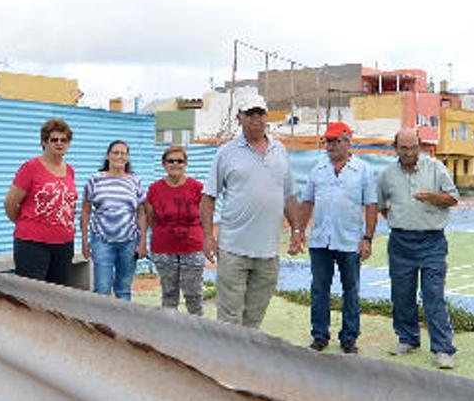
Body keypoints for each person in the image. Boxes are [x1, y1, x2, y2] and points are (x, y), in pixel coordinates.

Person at [201, 94, 304, 328]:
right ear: (240, 118)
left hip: (268, 252)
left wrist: (297, 230)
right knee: (229, 319)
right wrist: (208, 236)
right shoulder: (226, 153)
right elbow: (208, 197)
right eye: (250, 114)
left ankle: (245, 361)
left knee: (254, 319)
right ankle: (227, 364)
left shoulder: (280, 151)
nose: (256, 118)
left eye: (260, 113)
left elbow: (289, 195)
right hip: (233, 250)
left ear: (266, 117)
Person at [377, 128, 460, 369]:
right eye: (403, 148)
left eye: (413, 147)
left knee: (433, 295)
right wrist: (401, 221)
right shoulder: (387, 175)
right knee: (402, 294)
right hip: (401, 242)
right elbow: (383, 206)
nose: (409, 152)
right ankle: (408, 339)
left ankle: (443, 348)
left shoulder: (436, 168)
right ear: (396, 149)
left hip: (432, 241)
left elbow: (453, 198)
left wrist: (433, 197)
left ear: (420, 146)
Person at [300, 122, 377, 353]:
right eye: (328, 141)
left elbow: (371, 205)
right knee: (319, 290)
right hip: (320, 241)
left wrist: (368, 238)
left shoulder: (363, 170)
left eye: (336, 141)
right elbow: (307, 202)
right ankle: (320, 336)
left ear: (347, 141)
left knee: (351, 291)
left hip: (350, 242)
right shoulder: (317, 170)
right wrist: (299, 232)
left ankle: (349, 338)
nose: (331, 145)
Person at [4, 118, 78, 285]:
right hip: (33, 244)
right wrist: (26, 223)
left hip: (64, 243)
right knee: (33, 295)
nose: (59, 143)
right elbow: (10, 203)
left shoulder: (70, 171)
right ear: (44, 142)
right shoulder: (30, 168)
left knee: (58, 295)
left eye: (64, 140)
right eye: (54, 139)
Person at [140, 145, 205, 315]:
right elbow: (150, 217)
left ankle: (198, 334)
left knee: (194, 295)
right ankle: (170, 335)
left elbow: (205, 217)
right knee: (169, 294)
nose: (175, 164)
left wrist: (209, 240)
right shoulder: (155, 189)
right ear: (164, 164)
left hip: (192, 248)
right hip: (164, 249)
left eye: (180, 161)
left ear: (186, 164)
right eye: (171, 161)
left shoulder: (197, 187)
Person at [80, 140, 147, 301]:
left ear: (128, 158)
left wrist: (143, 242)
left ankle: (123, 326)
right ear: (108, 156)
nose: (119, 156)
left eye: (123, 153)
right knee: (102, 289)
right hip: (102, 241)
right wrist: (84, 240)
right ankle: (100, 325)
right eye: (116, 152)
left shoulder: (135, 181)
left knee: (123, 290)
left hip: (129, 242)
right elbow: (85, 211)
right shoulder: (95, 180)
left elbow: (142, 213)